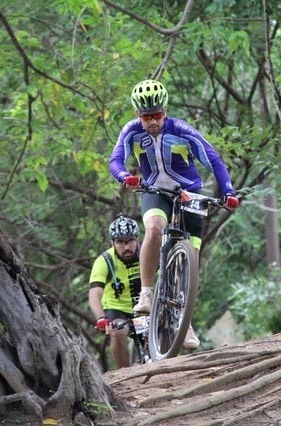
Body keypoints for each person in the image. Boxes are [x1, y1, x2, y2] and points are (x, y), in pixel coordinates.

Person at [109, 79, 239, 350]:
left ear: (165, 110)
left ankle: (185, 320)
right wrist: (125, 176)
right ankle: (146, 294)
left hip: (189, 192)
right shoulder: (131, 132)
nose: (152, 121)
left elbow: (213, 159)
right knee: (154, 228)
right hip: (154, 190)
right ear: (137, 115)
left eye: (157, 115)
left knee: (191, 255)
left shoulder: (182, 130)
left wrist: (227, 190)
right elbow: (116, 160)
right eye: (146, 117)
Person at [88, 214, 142, 369]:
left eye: (130, 240)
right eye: (120, 242)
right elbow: (94, 293)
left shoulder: (146, 252)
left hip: (145, 307)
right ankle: (125, 373)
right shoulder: (104, 260)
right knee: (117, 332)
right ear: (112, 242)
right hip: (117, 310)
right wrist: (100, 318)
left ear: (137, 239)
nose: (126, 247)